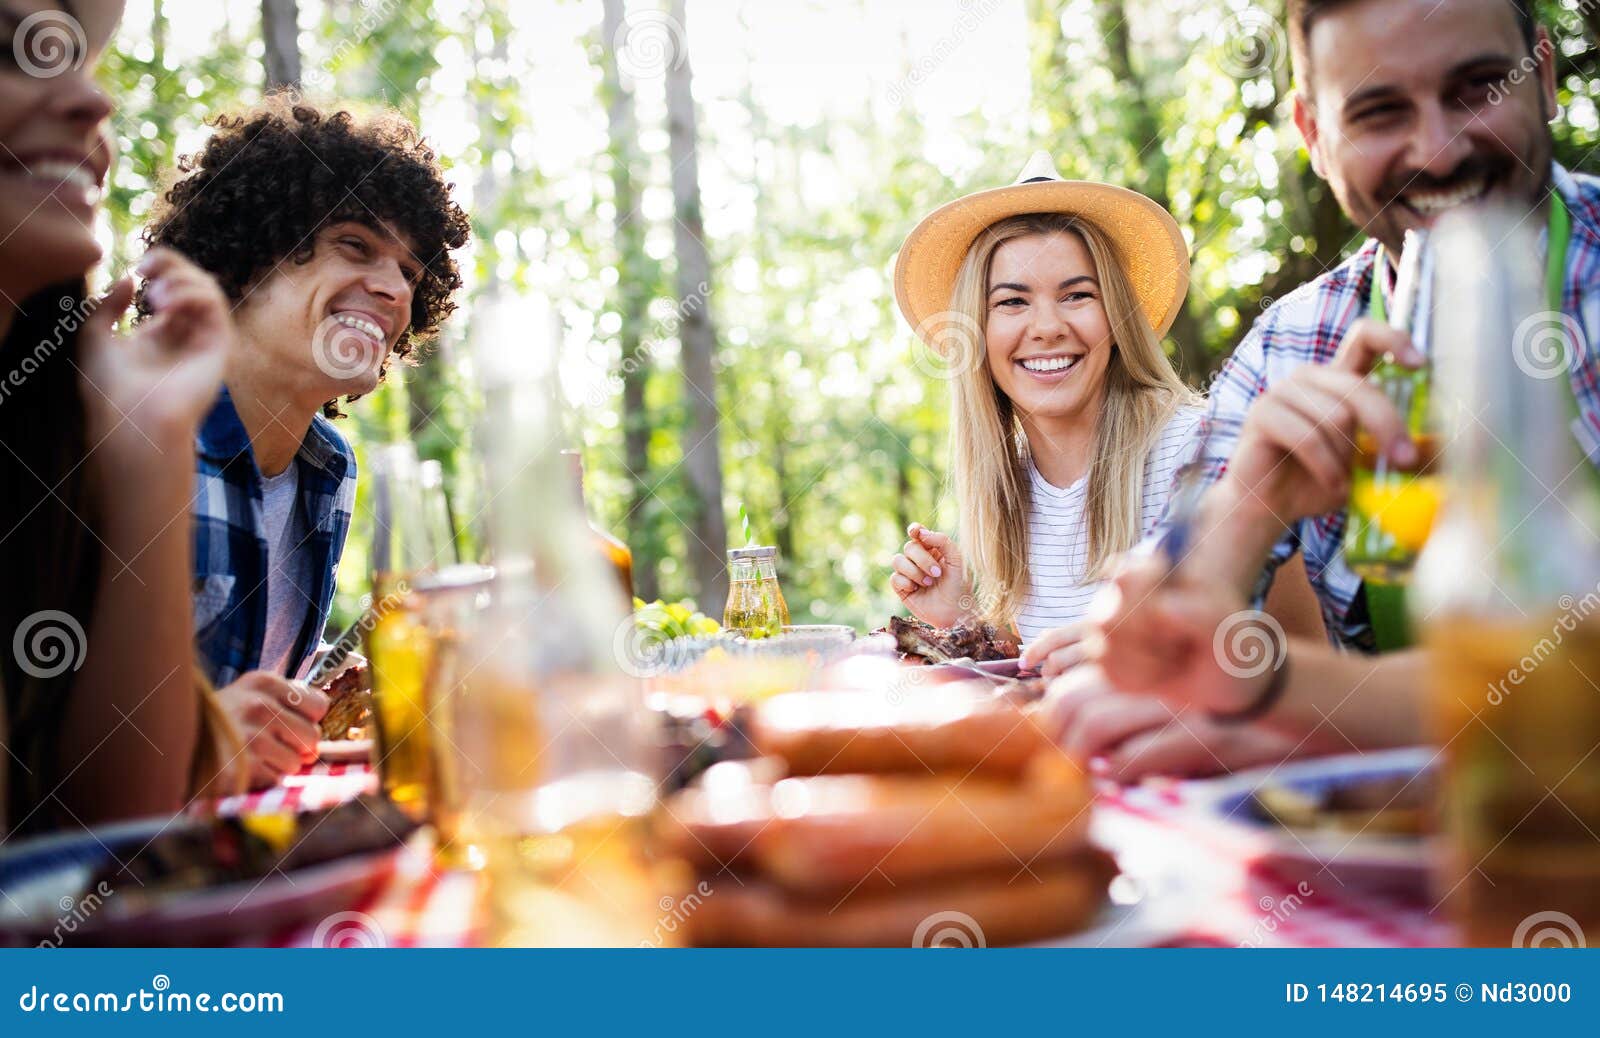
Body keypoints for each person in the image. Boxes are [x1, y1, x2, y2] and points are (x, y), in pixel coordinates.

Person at [1053, 0, 1597, 755]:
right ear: (1312, 135)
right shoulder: (1290, 346)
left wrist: (1294, 706)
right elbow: (1159, 642)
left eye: (1478, 89)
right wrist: (1240, 523)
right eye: (1379, 112)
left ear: (1543, 76)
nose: (1438, 154)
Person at [140, 95, 470, 789]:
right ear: (245, 256)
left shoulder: (328, 467)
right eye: (354, 245)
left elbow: (240, 673)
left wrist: (330, 685)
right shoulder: (124, 437)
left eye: (410, 274)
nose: (391, 289)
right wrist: (193, 743)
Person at [0, 0, 236, 834]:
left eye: (80, 66)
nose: (94, 104)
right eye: (9, 52)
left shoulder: (57, 437)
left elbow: (110, 845)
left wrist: (150, 453)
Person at [885, 152, 1206, 644]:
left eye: (1077, 295)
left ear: (1116, 318)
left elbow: (1280, 667)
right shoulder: (1006, 486)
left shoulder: (1196, 451)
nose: (1049, 328)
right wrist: (965, 617)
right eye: (1012, 302)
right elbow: (1039, 676)